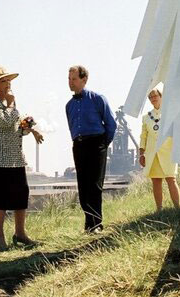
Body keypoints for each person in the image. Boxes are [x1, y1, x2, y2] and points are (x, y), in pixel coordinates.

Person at [0, 66, 43, 250]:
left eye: (8, 81)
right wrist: (12, 105)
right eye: (4, 81)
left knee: (20, 195)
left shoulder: (10, 106)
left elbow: (17, 129)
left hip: (15, 158)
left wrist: (32, 129)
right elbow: (5, 122)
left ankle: (20, 233)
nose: (8, 84)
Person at [65, 65, 117, 233]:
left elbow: (111, 124)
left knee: (94, 185)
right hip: (79, 145)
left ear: (84, 80)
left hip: (96, 143)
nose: (70, 82)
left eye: (74, 79)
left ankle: (97, 223)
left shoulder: (97, 99)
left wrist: (102, 144)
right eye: (69, 79)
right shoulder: (69, 105)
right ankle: (89, 223)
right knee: (83, 185)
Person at [139, 88, 180, 212]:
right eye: (150, 97)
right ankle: (159, 209)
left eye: (155, 95)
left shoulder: (170, 113)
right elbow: (143, 136)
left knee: (171, 179)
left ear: (161, 96)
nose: (153, 98)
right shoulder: (146, 117)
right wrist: (142, 154)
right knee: (156, 180)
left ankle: (178, 208)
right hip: (152, 153)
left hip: (168, 151)